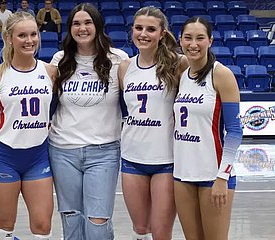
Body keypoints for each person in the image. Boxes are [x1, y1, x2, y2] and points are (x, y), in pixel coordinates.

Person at [49, 3, 128, 240]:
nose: (82, 28)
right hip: (63, 151)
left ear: (98, 25)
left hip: (104, 152)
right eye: (76, 23)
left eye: (87, 22)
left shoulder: (118, 60)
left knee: (97, 222)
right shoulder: (60, 59)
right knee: (71, 221)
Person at [0, 11, 57, 240]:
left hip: (38, 156)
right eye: (22, 35)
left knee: (43, 225)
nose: (30, 40)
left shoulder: (50, 72)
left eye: (33, 34)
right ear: (9, 38)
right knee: (5, 225)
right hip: (4, 156)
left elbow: (52, 111)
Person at [117, 7, 189, 240]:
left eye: (151, 29)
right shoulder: (125, 67)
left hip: (166, 159)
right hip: (132, 157)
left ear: (162, 33)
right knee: (141, 230)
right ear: (132, 31)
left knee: (160, 232)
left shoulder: (179, 64)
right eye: (139, 28)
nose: (143, 34)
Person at [174, 16, 243, 240]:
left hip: (212, 174)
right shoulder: (181, 76)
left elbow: (234, 130)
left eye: (200, 38)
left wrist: (222, 177)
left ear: (210, 41)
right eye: (188, 38)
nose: (193, 44)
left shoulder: (221, 74)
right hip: (183, 174)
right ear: (180, 40)